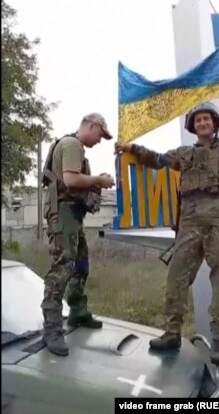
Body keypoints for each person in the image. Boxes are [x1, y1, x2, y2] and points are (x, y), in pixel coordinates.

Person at [115, 55, 219, 365]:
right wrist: (131, 147)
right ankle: (171, 332)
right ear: (192, 126)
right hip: (189, 225)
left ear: (215, 125)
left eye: (207, 119)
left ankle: (218, 343)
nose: (203, 122)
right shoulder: (185, 153)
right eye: (198, 120)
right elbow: (157, 159)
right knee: (176, 278)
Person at [41, 113, 115, 356]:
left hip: (71, 214)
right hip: (63, 214)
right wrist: (99, 180)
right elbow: (70, 180)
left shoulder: (74, 146)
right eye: (100, 135)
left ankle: (77, 311)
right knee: (62, 266)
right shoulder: (72, 144)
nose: (100, 141)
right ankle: (52, 328)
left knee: (81, 263)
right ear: (91, 126)